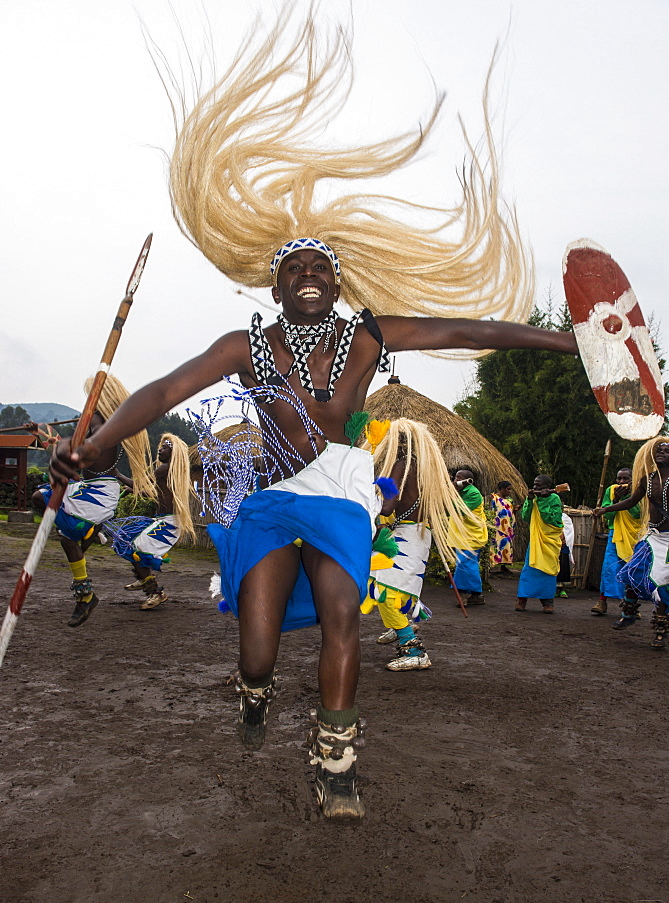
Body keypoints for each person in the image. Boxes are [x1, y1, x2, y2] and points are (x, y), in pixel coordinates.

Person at [49, 11, 582, 819]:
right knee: (258, 649)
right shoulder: (245, 344)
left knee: (342, 613)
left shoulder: (368, 337)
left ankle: (336, 759)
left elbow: (468, 328)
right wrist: (89, 447)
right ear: (275, 287)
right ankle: (255, 692)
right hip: (268, 499)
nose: (305, 275)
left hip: (339, 492)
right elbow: (161, 395)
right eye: (291, 267)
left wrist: (563, 341)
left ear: (336, 284)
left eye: (318, 267)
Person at [34, 375, 154, 626]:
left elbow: (74, 455)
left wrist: (55, 442)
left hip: (97, 495)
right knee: (51, 514)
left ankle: (86, 591)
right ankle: (86, 541)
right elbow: (69, 449)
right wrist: (40, 431)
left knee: (64, 531)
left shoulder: (102, 428)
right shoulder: (99, 425)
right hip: (89, 489)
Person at [360, 418, 471, 671]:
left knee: (386, 590)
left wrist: (373, 492)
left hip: (408, 535)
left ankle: (413, 647)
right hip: (419, 533)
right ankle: (399, 625)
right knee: (378, 581)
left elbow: (387, 506)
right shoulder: (426, 468)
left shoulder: (402, 465)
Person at [106, 434, 196, 610]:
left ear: (173, 452)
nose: (159, 451)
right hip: (165, 521)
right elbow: (155, 494)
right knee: (128, 540)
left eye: (164, 448)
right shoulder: (171, 471)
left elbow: (144, 487)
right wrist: (133, 489)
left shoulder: (163, 469)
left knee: (135, 548)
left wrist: (117, 474)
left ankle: (156, 593)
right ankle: (143, 578)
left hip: (168, 523)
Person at [594, 438, 669, 648]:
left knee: (663, 584)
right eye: (658, 450)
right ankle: (629, 613)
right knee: (632, 572)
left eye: (666, 451)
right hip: (652, 537)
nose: (661, 453)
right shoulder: (647, 479)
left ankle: (661, 631)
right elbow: (632, 501)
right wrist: (607, 509)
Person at [590, 468, 641, 615]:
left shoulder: (640, 491)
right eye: (619, 479)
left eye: (626, 479)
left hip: (635, 536)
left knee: (632, 570)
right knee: (609, 568)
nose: (621, 482)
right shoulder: (611, 491)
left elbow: (638, 514)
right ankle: (602, 601)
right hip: (615, 534)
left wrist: (628, 499)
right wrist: (616, 500)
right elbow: (609, 516)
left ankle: (631, 605)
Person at [515, 475, 563, 613]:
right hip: (536, 541)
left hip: (549, 541)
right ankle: (522, 599)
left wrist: (543, 500)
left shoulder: (555, 498)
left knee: (548, 570)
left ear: (547, 487)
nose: (535, 488)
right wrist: (530, 500)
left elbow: (550, 519)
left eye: (539, 486)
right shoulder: (533, 498)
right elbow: (526, 517)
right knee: (529, 570)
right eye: (534, 485)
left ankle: (548, 602)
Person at [450, 470, 488, 606]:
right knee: (469, 564)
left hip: (471, 535)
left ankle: (464, 594)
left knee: (465, 564)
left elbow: (460, 510)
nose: (455, 480)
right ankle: (476, 595)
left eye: (458, 478)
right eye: (455, 477)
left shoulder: (473, 493)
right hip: (463, 535)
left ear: (468, 479)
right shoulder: (462, 491)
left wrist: (451, 493)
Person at [489, 481, 516, 573]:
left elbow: (511, 512)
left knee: (506, 547)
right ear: (501, 489)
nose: (509, 491)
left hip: (507, 528)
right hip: (497, 527)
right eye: (508, 489)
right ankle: (492, 565)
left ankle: (504, 565)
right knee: (495, 545)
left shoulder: (510, 500)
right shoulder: (494, 498)